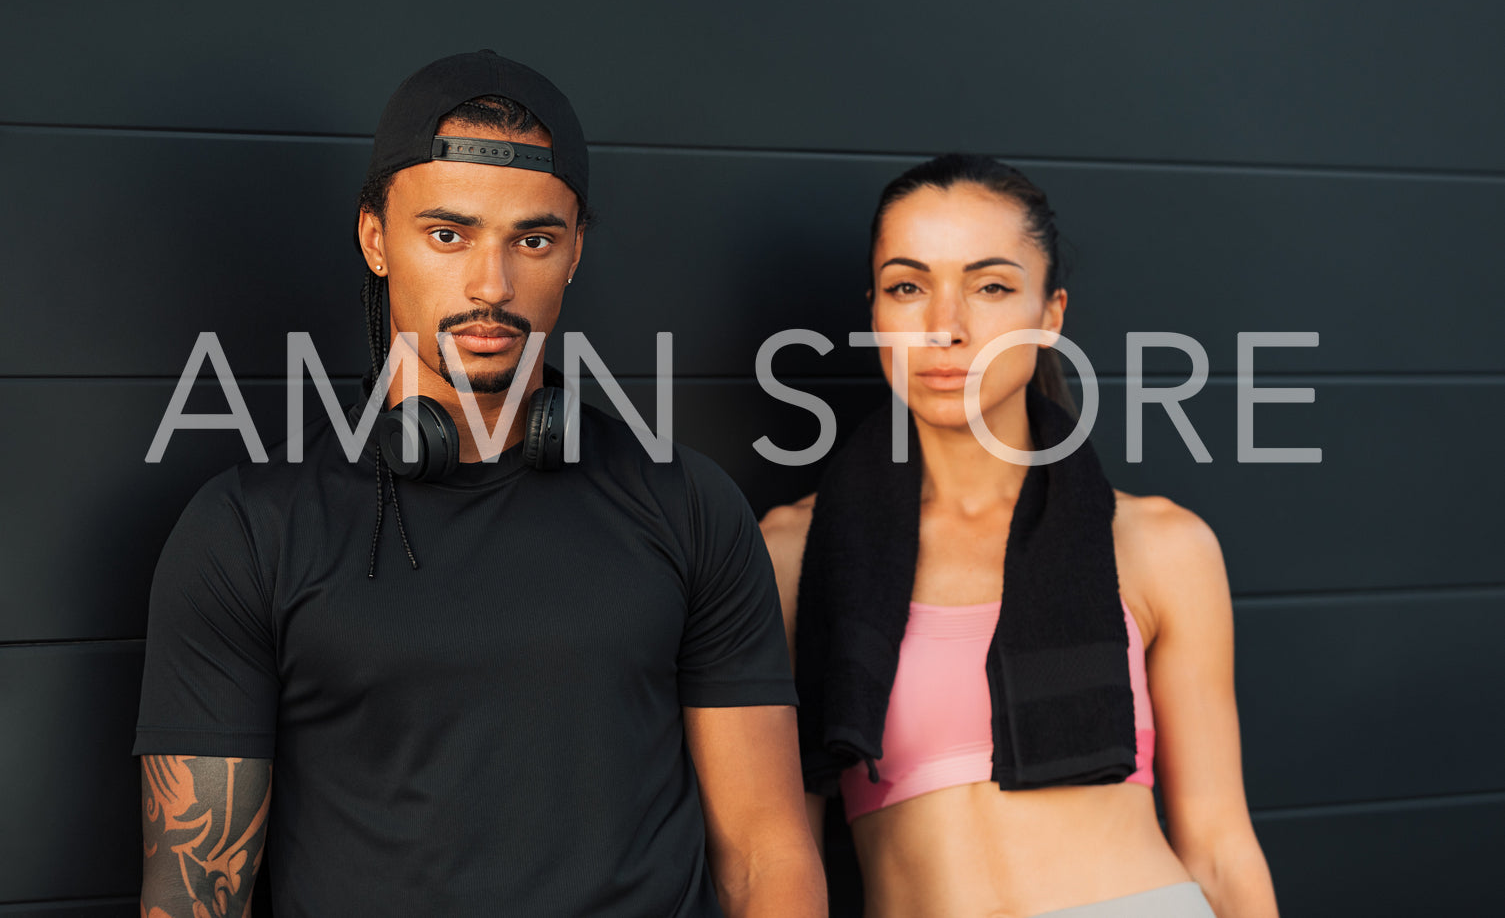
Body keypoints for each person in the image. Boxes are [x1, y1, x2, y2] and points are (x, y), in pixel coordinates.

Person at [135, 50, 825, 917]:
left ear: (574, 251)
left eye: (531, 239)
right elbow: (194, 890)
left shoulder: (688, 506)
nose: (490, 286)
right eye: (448, 234)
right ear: (376, 239)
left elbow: (766, 854)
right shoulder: (246, 530)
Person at [760, 154, 1279, 917]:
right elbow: (779, 854)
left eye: (991, 286)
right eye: (908, 287)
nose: (947, 326)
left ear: (1050, 313)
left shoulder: (1161, 545)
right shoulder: (793, 553)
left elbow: (1219, 844)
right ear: (874, 310)